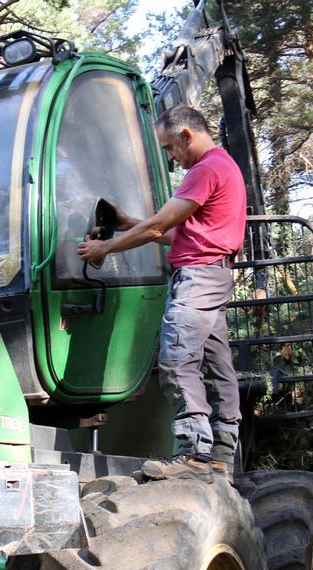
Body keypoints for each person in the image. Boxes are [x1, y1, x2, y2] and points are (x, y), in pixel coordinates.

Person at [76, 105, 246, 481]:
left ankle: (193, 455)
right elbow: (179, 233)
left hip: (198, 279)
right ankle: (221, 456)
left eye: (170, 148)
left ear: (187, 135)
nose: (171, 158)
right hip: (214, 276)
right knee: (218, 368)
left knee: (177, 361)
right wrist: (126, 225)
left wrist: (104, 249)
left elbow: (158, 229)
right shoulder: (225, 167)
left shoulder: (205, 169)